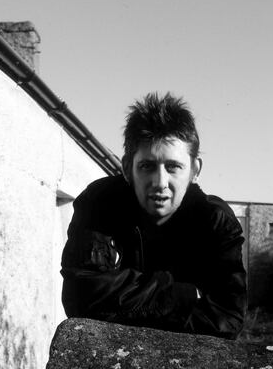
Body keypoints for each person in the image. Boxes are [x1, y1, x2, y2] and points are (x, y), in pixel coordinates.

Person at [60, 92, 247, 339]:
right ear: (127, 168)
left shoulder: (215, 221)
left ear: (194, 170)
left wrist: (121, 296)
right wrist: (184, 295)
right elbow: (80, 295)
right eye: (147, 166)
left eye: (173, 167)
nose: (160, 182)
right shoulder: (100, 203)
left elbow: (228, 318)